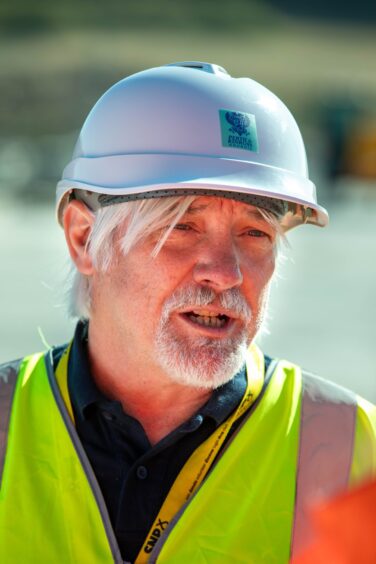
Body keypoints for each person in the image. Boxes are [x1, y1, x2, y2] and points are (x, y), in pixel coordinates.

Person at [0, 61, 375, 563]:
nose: (224, 273)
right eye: (181, 226)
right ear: (84, 238)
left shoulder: (358, 452)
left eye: (255, 233)